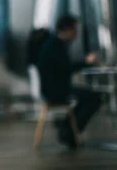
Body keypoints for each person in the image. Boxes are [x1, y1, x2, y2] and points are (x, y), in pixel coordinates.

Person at [37, 14, 102, 149]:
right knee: (95, 97)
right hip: (56, 91)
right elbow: (66, 68)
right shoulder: (55, 46)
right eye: (75, 30)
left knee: (89, 97)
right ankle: (69, 131)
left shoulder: (54, 44)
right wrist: (86, 61)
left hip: (56, 89)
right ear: (67, 30)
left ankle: (67, 128)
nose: (77, 34)